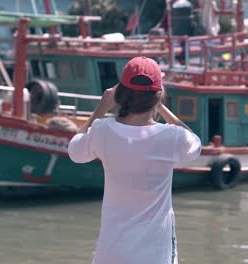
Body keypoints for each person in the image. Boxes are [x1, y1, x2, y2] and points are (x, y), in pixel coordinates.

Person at [68, 56, 202, 264]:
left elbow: (75, 151)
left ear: (120, 95)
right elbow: (195, 144)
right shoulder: (171, 138)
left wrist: (101, 108)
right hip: (155, 256)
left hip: (110, 254)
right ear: (157, 98)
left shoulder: (103, 131)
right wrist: (162, 108)